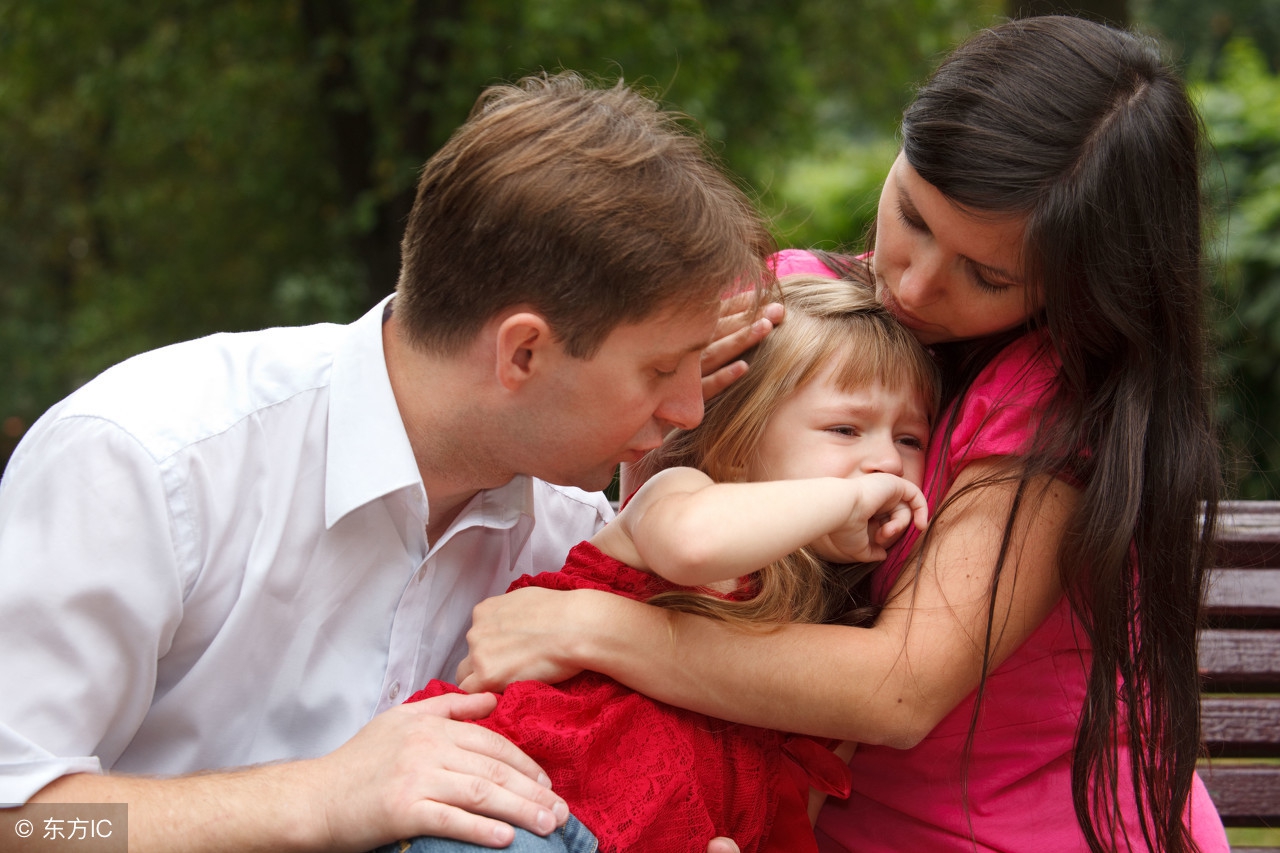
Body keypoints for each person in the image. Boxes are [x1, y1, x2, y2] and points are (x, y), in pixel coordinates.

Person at [456, 16, 1231, 853]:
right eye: (914, 216)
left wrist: (593, 630)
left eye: (988, 275)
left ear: (1083, 289)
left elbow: (897, 693)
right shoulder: (811, 309)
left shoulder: (1055, 402)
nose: (915, 281)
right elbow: (665, 502)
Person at [0, 71, 779, 852]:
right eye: (661, 371)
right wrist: (316, 795)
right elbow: (19, 820)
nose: (689, 411)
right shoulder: (148, 460)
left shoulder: (571, 539)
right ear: (524, 352)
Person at [378, 273, 938, 853]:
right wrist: (845, 501)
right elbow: (693, 547)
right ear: (739, 446)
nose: (884, 463)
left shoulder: (836, 640)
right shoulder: (682, 497)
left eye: (910, 440)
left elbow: (792, 810)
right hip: (507, 807)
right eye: (845, 429)